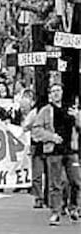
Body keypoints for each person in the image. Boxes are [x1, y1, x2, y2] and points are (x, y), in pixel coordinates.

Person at [32, 83, 81, 225]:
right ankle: (56, 212)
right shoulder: (45, 111)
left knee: (76, 181)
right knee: (56, 183)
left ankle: (73, 207)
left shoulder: (71, 109)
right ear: (49, 95)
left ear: (62, 92)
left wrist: (77, 116)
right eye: (53, 91)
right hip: (54, 152)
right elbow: (36, 130)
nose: (56, 93)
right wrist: (51, 137)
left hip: (71, 150)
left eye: (58, 90)